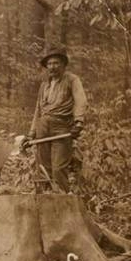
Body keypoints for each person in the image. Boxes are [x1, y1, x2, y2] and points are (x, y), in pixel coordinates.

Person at [21, 46, 88, 192]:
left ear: (63, 64)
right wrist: (30, 134)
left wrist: (78, 121)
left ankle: (65, 203)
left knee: (58, 169)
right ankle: (45, 204)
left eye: (56, 63)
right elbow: (38, 111)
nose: (52, 67)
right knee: (43, 169)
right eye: (49, 64)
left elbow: (80, 100)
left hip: (61, 128)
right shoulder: (45, 85)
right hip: (43, 128)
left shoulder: (72, 80)